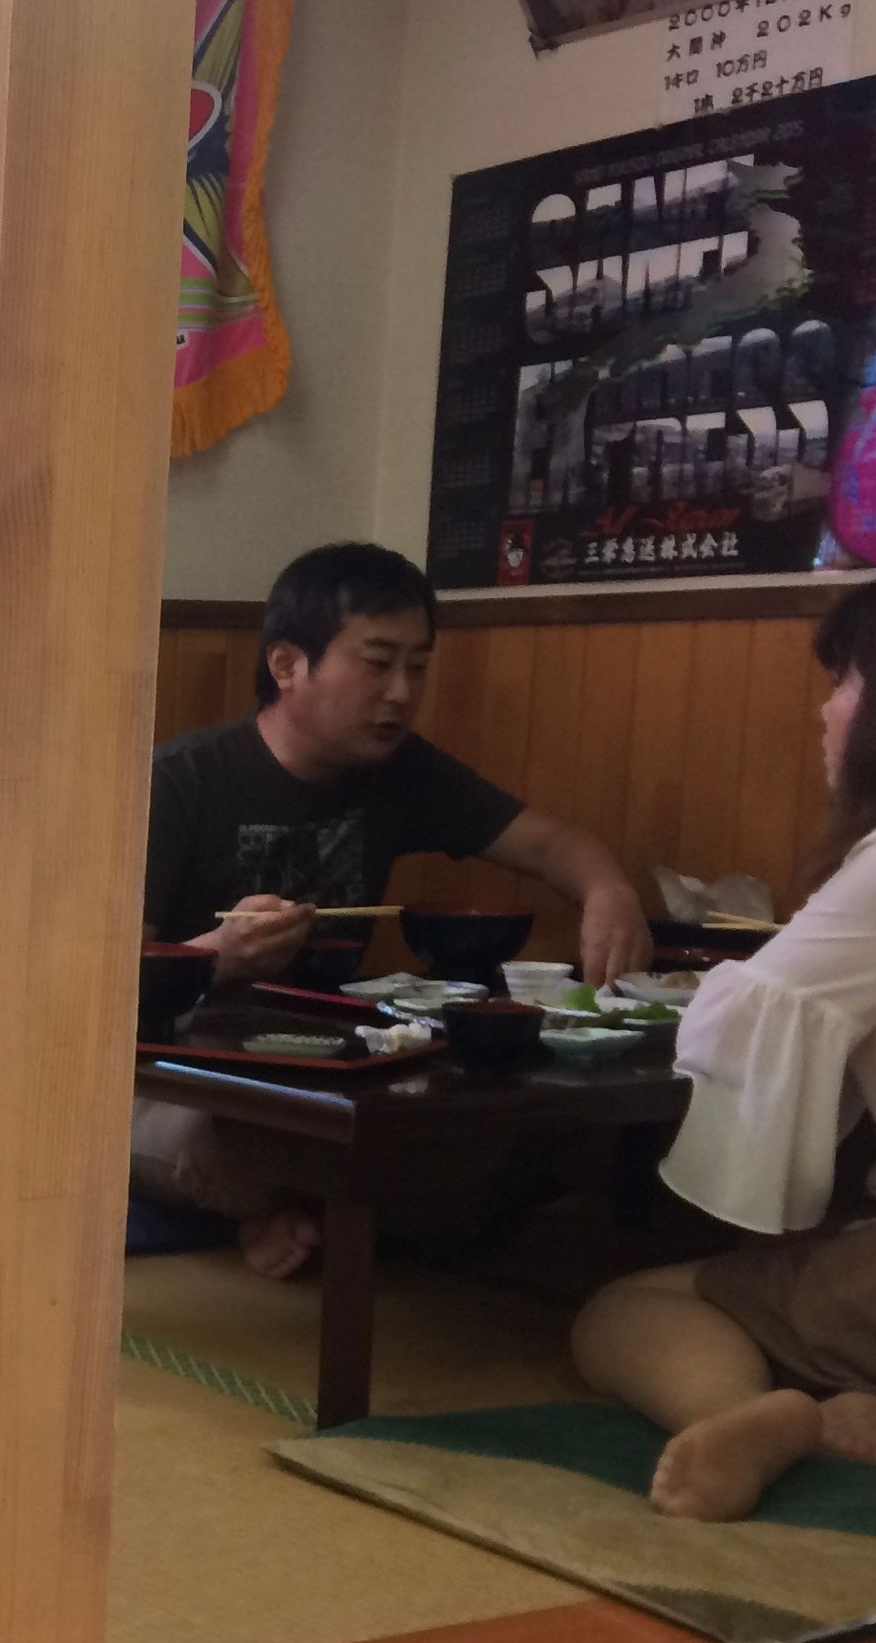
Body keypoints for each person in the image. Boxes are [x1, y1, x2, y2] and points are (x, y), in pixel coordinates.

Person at [572, 558, 876, 1522]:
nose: (827, 712)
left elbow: (748, 1019)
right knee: (868, 1257)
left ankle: (753, 1418)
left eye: (846, 683)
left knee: (627, 1310)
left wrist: (697, 987)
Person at [135, 542, 656, 1276]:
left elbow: (551, 844)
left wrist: (610, 890)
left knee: (488, 1122)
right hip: (178, 1079)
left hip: (334, 1075)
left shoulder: (403, 772)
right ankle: (288, 1210)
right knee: (230, 1147)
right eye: (378, 663)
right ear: (288, 665)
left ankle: (301, 1214)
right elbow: (100, 991)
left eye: (418, 666)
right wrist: (213, 960)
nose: (402, 693)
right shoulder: (180, 782)